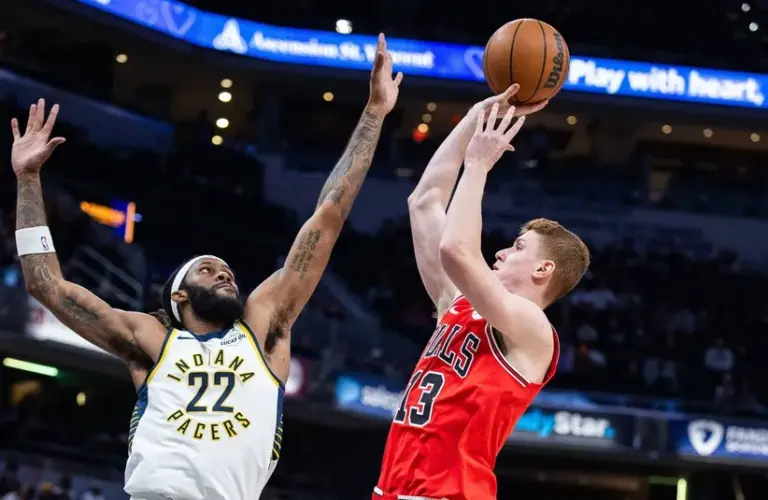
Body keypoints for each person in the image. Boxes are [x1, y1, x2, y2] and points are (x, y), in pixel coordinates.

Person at [11, 34, 403, 500]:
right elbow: (46, 285)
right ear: (179, 295)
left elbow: (329, 215)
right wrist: (28, 178)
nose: (224, 274)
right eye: (208, 270)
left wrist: (374, 114)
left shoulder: (263, 328)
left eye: (226, 271)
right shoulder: (152, 339)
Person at [374, 86, 590, 500]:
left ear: (544, 270)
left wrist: (478, 165)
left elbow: (456, 248)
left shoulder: (533, 328)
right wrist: (479, 113)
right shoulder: (456, 305)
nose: (502, 252)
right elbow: (424, 201)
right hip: (395, 488)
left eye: (519, 247)